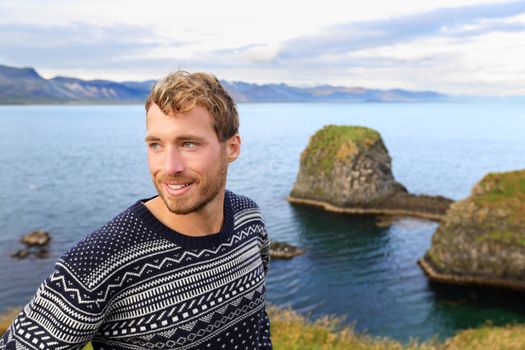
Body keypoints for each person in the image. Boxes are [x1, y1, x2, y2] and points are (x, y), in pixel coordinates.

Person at [0, 71, 273, 350]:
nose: (169, 167)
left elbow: (258, 324)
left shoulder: (248, 216)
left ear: (232, 148)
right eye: (156, 145)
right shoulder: (97, 261)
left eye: (188, 144)